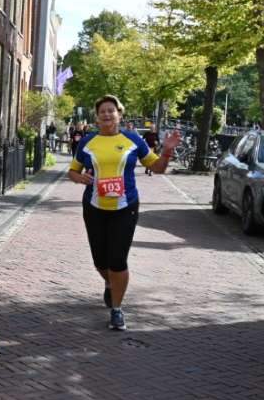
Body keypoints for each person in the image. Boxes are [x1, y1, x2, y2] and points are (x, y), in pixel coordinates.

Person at [67, 95, 180, 331]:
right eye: (102, 112)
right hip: (94, 207)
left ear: (119, 114)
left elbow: (157, 168)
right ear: (97, 117)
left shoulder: (133, 139)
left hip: (125, 208)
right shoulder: (87, 141)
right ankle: (110, 283)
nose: (107, 115)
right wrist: (80, 178)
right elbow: (73, 171)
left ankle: (117, 309)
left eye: (111, 111)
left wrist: (167, 152)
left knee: (117, 260)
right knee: (100, 260)